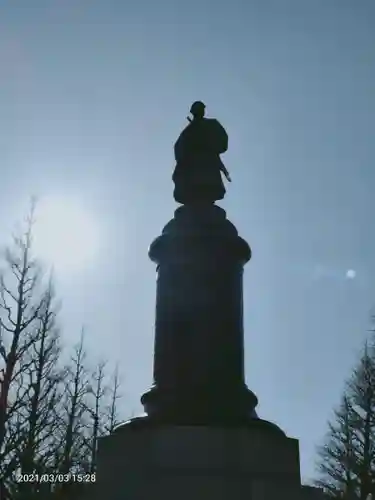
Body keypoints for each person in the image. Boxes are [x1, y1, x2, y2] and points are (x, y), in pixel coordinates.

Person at [172, 101, 231, 204]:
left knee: (208, 188)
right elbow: (179, 149)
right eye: (197, 110)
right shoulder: (188, 131)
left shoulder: (212, 124)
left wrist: (211, 145)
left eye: (201, 109)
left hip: (208, 163)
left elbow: (222, 140)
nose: (200, 112)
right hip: (193, 166)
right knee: (195, 187)